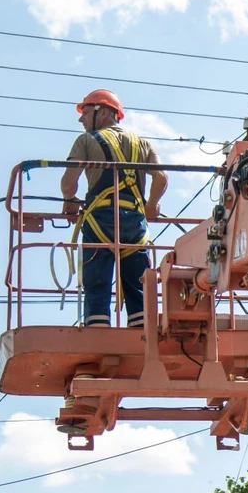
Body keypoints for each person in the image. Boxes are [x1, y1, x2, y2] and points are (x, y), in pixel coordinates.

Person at [61, 89, 168, 328]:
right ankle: (143, 332)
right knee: (138, 285)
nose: (82, 120)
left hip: (101, 221)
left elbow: (69, 182)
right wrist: (150, 207)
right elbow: (161, 177)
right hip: (135, 225)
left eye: (87, 112)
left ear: (105, 113)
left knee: (97, 282)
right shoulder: (143, 144)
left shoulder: (86, 141)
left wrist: (69, 201)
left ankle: (97, 330)